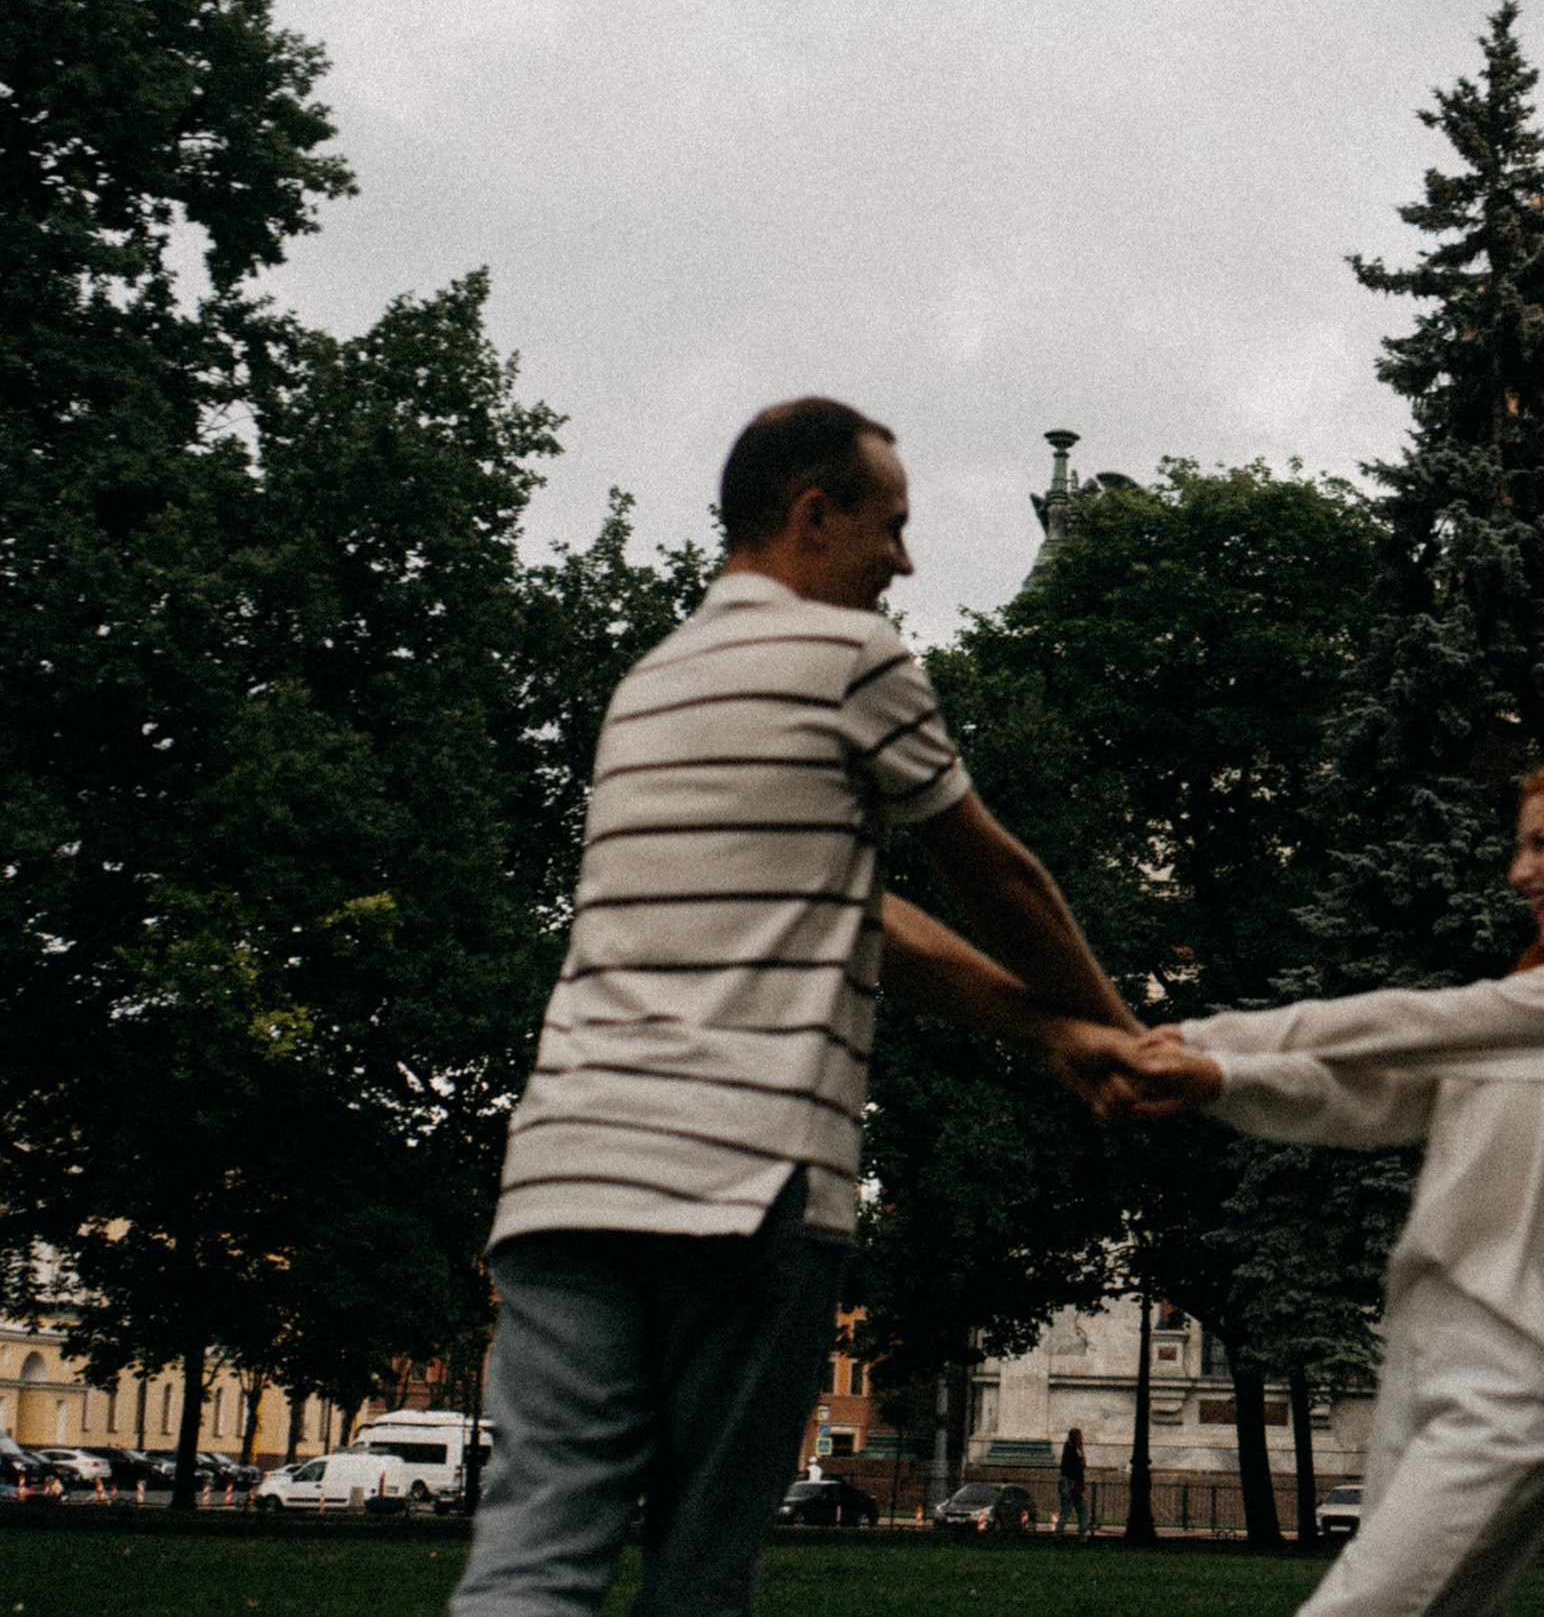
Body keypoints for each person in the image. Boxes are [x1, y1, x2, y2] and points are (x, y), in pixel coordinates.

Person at [448, 399, 1141, 1617]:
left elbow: (861, 914)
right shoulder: (851, 660)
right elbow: (995, 874)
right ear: (812, 514)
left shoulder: (648, 689)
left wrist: (1050, 1031)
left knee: (534, 1558)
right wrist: (1123, 1037)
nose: (906, 562)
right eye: (891, 527)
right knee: (701, 1573)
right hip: (741, 1178)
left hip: (562, 1178)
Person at [1123, 761, 1544, 1616]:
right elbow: (1361, 1097)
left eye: (1543, 844)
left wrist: (1198, 1036)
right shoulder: (1536, 1018)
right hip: (1429, 1352)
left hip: (1526, 1371)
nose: (1518, 872)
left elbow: (1414, 1021)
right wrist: (1212, 1081)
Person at [1055, 1427, 1088, 1537]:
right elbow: (1079, 1466)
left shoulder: (1070, 1448)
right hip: (1072, 1482)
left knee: (1069, 1509)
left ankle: (1059, 1533)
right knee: (1075, 1509)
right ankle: (1081, 1533)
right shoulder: (1073, 1449)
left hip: (1070, 1482)